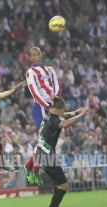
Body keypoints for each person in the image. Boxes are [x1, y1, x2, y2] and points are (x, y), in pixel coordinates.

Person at [31, 96, 87, 207]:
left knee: (60, 185)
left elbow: (63, 116)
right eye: (63, 110)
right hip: (46, 156)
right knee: (63, 186)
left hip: (42, 154)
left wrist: (75, 112)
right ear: (59, 109)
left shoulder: (50, 114)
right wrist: (82, 115)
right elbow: (65, 123)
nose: (64, 112)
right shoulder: (55, 120)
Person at [23, 47, 63, 180]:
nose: (35, 57)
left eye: (37, 54)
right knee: (44, 138)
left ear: (41, 55)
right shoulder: (30, 72)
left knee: (49, 139)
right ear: (30, 58)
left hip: (52, 106)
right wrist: (46, 106)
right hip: (40, 107)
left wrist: (56, 98)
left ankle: (29, 165)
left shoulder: (50, 70)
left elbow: (56, 85)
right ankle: (34, 169)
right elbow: (34, 92)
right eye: (33, 55)